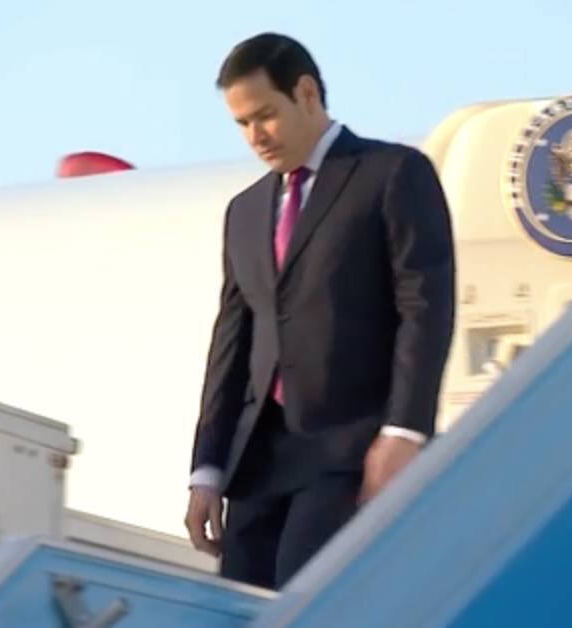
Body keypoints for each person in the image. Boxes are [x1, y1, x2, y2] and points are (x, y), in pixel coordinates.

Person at [184, 32, 456, 591]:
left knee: (308, 604)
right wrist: (206, 470)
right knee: (242, 610)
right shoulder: (244, 212)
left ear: (306, 93)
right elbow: (232, 345)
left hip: (349, 448)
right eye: (241, 123)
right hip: (258, 463)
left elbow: (425, 307)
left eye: (265, 115)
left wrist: (405, 431)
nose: (255, 136)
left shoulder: (392, 173)